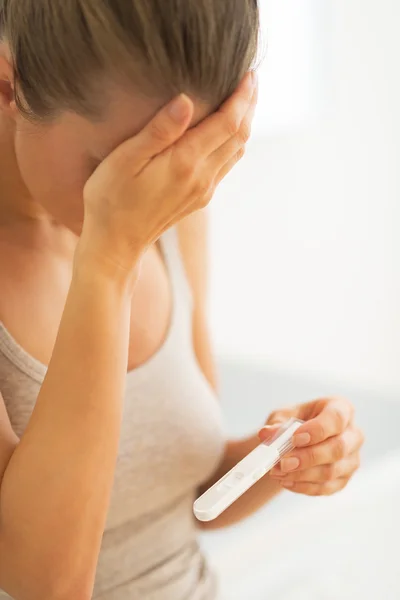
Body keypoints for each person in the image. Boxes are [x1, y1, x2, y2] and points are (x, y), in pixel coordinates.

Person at [0, 1, 364, 599]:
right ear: (9, 87)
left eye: (173, 167)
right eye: (115, 169)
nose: (149, 200)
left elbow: (191, 500)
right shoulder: (126, 233)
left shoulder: (169, 214)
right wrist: (110, 260)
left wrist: (283, 455)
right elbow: (46, 583)